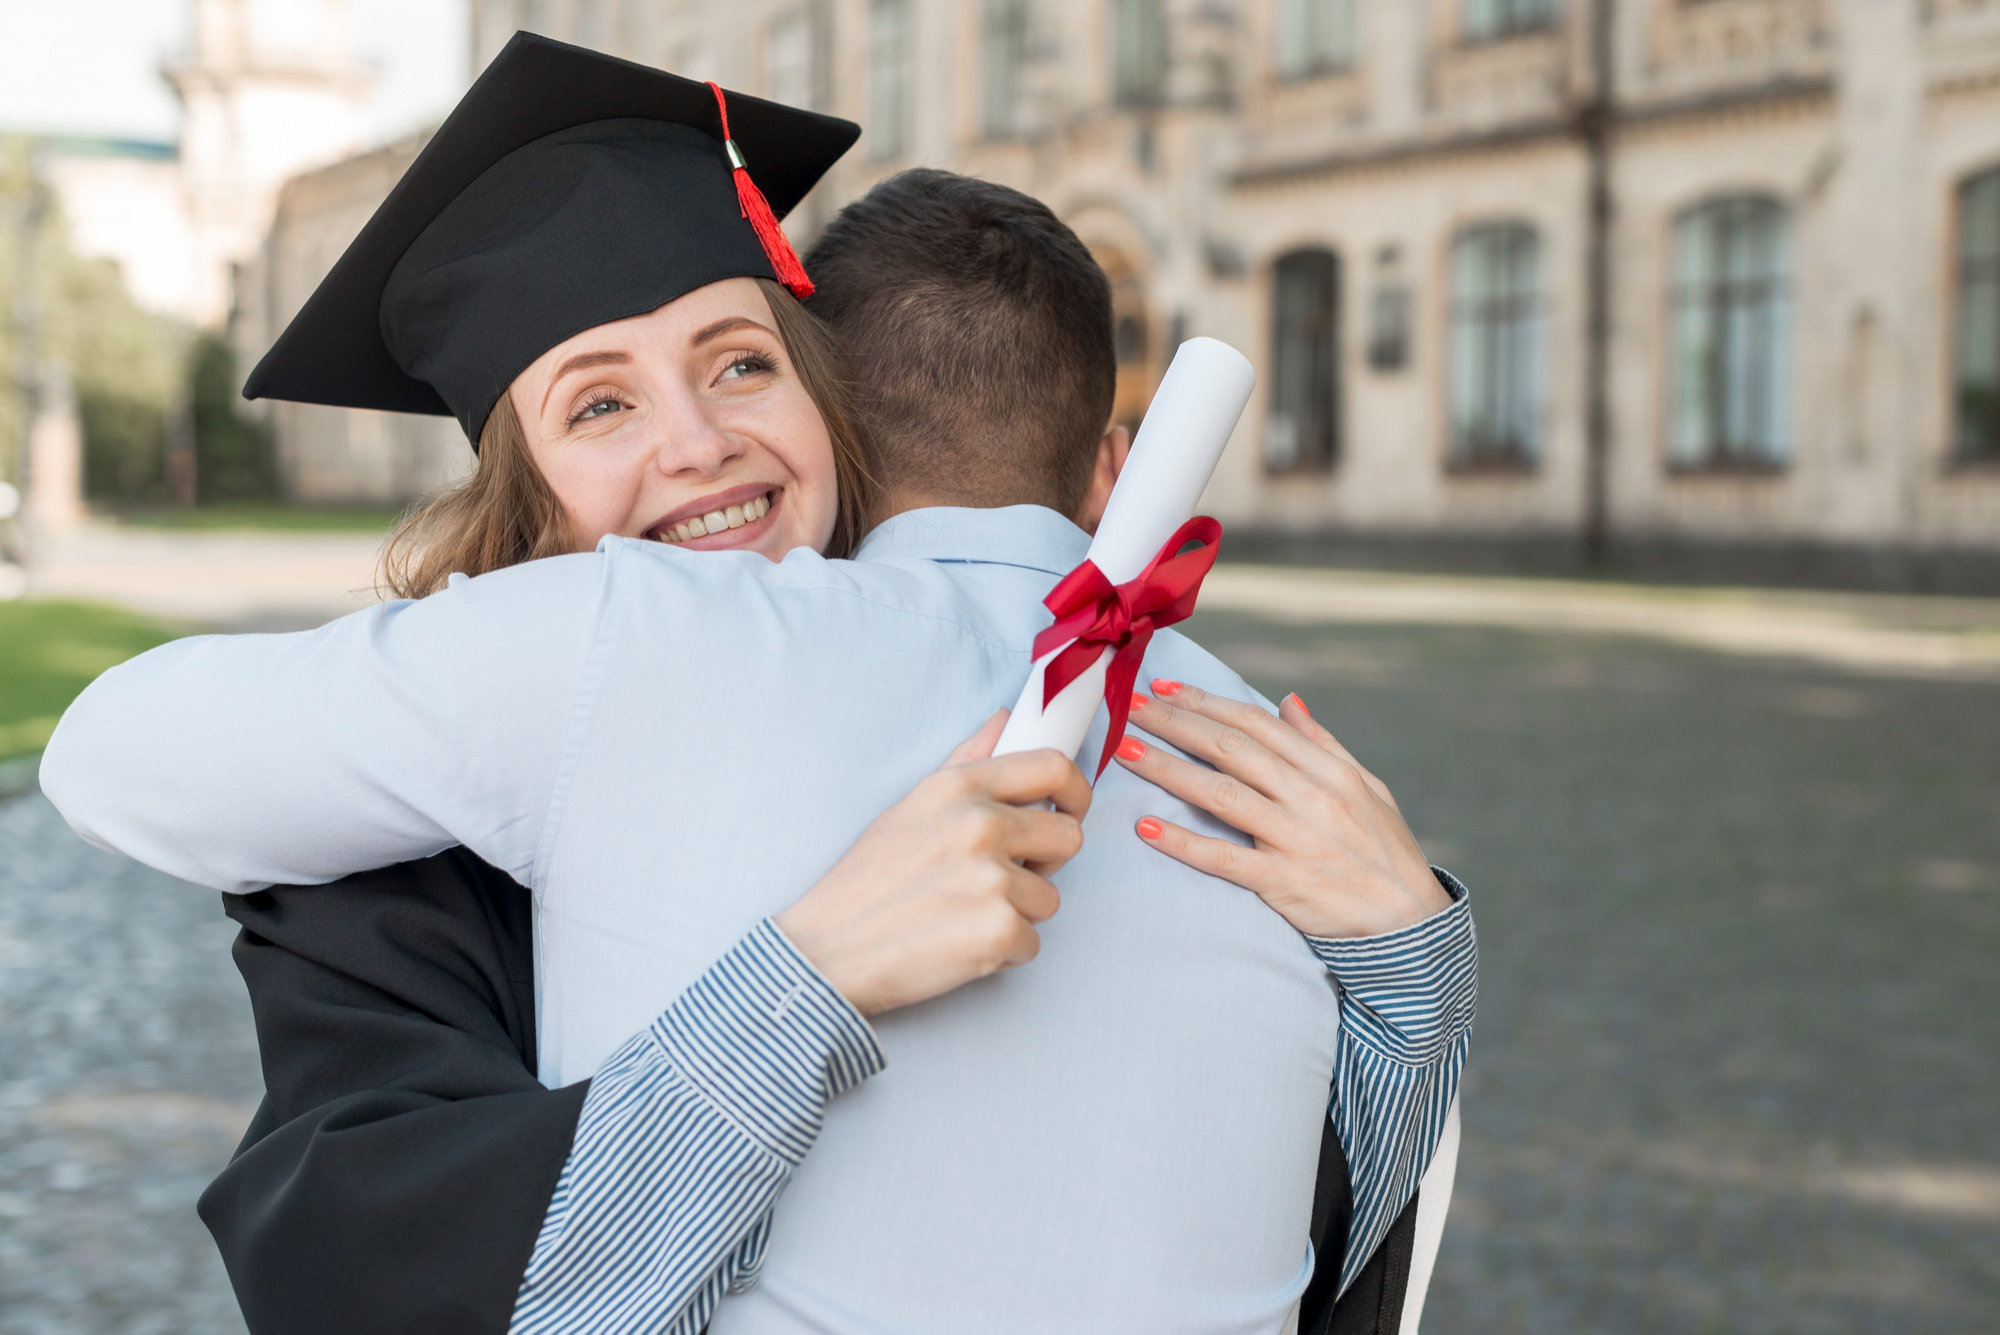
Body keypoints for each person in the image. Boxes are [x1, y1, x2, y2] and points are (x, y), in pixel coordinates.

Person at [43, 34, 1474, 1335]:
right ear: (516, 489)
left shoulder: (1113, 722)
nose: (699, 444)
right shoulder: (398, 854)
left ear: (832, 395)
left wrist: (1411, 956)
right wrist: (812, 976)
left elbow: (1306, 1245)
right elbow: (410, 1277)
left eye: (739, 363)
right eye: (599, 402)